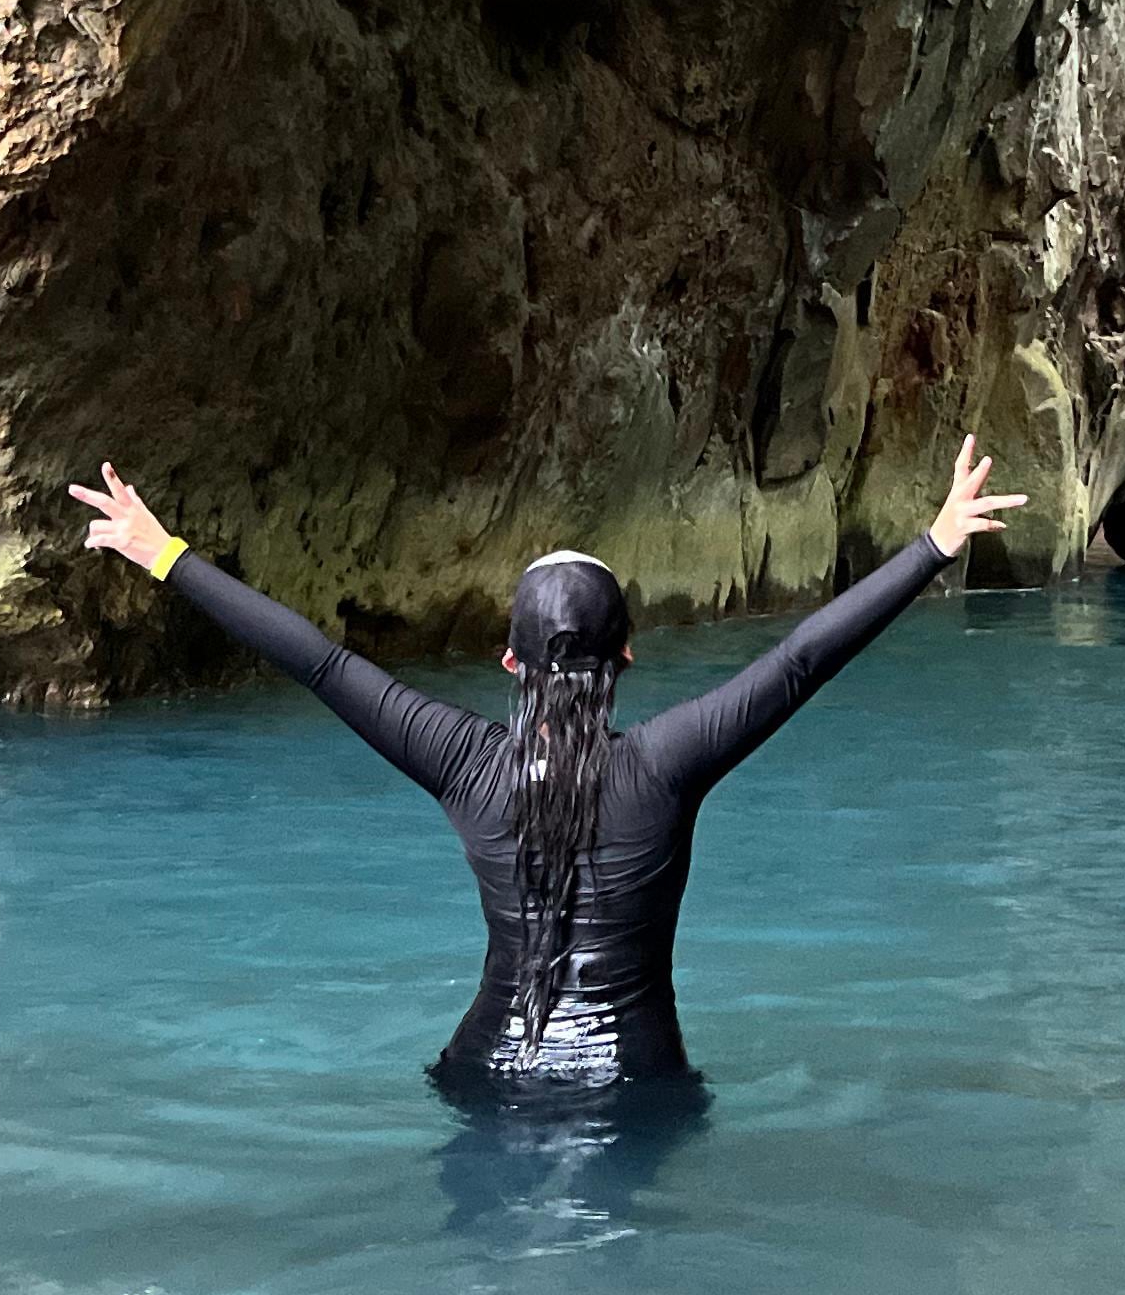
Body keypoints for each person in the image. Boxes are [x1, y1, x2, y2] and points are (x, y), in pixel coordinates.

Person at [68, 441, 1025, 1098]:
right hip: (632, 1077)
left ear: (511, 663)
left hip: (490, 1072)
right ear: (628, 659)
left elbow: (317, 661)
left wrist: (166, 555)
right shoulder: (665, 764)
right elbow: (800, 660)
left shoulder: (462, 764)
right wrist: (934, 544)